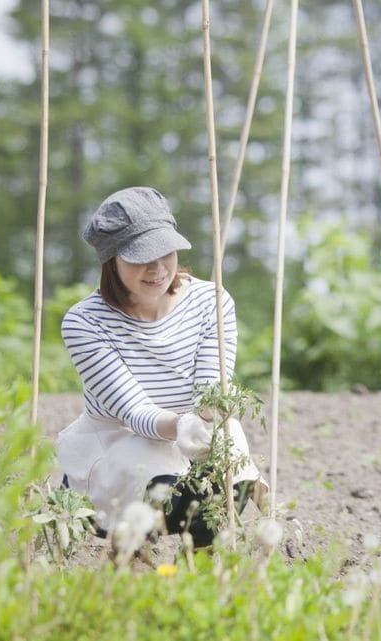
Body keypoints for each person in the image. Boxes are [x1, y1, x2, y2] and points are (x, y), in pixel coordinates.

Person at [55, 186, 266, 549]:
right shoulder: (85, 322)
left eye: (165, 253)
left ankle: (203, 559)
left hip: (191, 428)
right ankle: (131, 556)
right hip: (122, 437)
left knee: (228, 473)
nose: (157, 269)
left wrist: (207, 414)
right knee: (158, 484)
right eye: (140, 257)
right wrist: (183, 425)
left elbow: (209, 388)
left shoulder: (210, 301)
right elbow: (134, 412)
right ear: (112, 260)